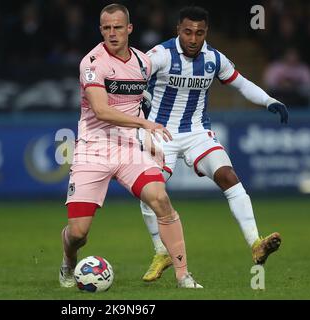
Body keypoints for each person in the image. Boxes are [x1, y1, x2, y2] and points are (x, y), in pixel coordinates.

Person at [59, 3, 202, 289]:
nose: (112, 33)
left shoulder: (142, 63)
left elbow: (142, 102)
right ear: (101, 30)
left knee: (160, 199)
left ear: (129, 29)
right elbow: (101, 110)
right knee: (78, 233)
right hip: (93, 148)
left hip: (129, 149)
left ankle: (183, 275)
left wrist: (147, 138)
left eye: (118, 27)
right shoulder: (92, 63)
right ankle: (68, 260)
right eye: (107, 28)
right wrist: (145, 126)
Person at [139, 6, 288, 282]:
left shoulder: (214, 59)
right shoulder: (159, 55)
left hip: (197, 132)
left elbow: (241, 84)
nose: (193, 39)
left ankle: (256, 243)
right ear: (178, 30)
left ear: (206, 32)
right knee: (151, 190)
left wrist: (270, 100)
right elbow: (133, 81)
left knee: (228, 177)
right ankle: (161, 250)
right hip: (161, 133)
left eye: (199, 33)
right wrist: (139, 112)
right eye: (187, 32)